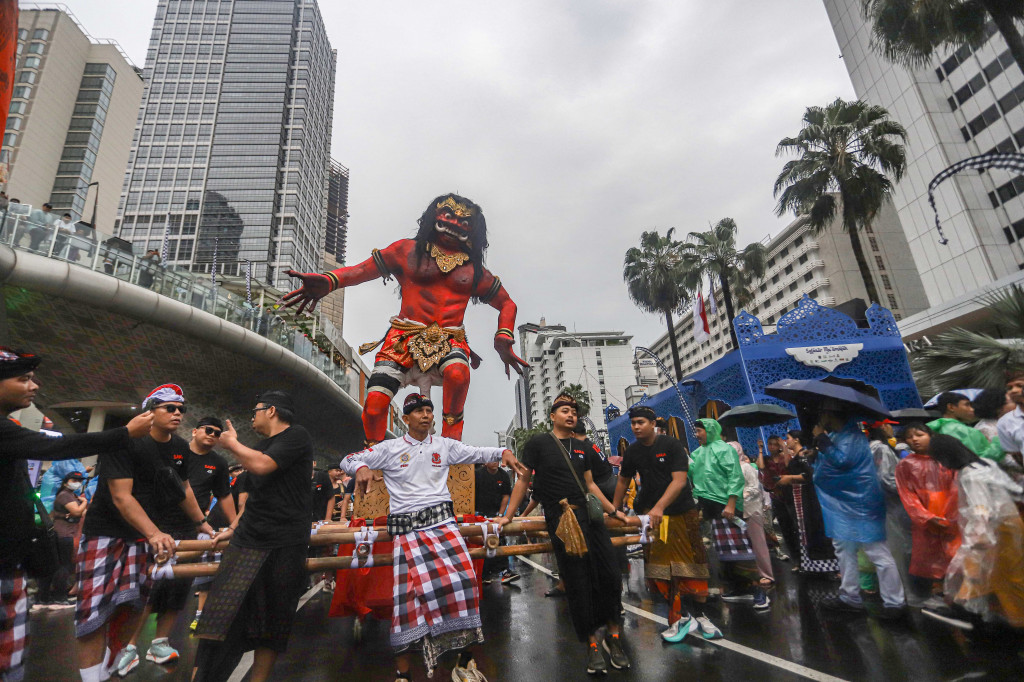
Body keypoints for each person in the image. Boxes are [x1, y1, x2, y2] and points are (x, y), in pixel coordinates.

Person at [343, 393, 526, 682]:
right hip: (408, 534)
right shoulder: (389, 449)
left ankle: (464, 662)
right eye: (419, 411)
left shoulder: (444, 446)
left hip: (444, 529)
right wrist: (362, 467)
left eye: (429, 410)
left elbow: (477, 453)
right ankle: (403, 673)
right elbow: (349, 459)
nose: (426, 415)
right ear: (405, 419)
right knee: (407, 601)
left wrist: (501, 451)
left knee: (464, 586)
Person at [0, 348, 155, 682]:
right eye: (23, 379)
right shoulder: (6, 432)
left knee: (11, 662)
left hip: (10, 564)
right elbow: (56, 447)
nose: (34, 386)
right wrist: (125, 434)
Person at [502, 394, 631, 675]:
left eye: (574, 411)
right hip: (562, 519)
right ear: (552, 416)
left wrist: (613, 511)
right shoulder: (538, 443)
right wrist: (510, 515)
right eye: (564, 410)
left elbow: (590, 486)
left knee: (609, 575)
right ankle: (592, 645)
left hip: (591, 518)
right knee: (577, 581)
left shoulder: (582, 445)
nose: (571, 414)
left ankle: (614, 636)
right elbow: (523, 478)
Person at [90, 386, 214, 677]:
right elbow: (121, 496)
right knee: (109, 604)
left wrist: (202, 524)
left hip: (152, 532)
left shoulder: (181, 448)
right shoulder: (126, 441)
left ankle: (140, 647)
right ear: (150, 410)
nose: (177, 414)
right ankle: (114, 655)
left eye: (180, 409)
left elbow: (183, 489)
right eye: (169, 408)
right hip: (112, 531)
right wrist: (154, 533)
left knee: (154, 595)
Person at [193, 391, 313, 682]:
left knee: (273, 621)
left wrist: (232, 443)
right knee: (219, 617)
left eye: (255, 411)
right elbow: (254, 499)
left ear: (271, 411)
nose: (252, 417)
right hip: (248, 539)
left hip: (285, 541)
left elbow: (262, 465)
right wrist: (233, 528)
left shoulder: (297, 436)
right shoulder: (261, 446)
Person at [615, 406, 718, 643]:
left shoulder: (671, 445)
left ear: (653, 424)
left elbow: (680, 480)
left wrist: (660, 507)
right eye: (633, 423)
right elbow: (623, 480)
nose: (636, 427)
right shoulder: (632, 452)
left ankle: (700, 616)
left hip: (681, 512)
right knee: (661, 569)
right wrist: (614, 508)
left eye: (641, 422)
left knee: (693, 566)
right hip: (651, 518)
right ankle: (679, 617)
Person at [810, 406, 907, 619]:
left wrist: (822, 441)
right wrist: (815, 453)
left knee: (876, 551)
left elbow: (843, 461)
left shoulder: (852, 436)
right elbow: (827, 465)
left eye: (824, 412)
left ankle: (895, 603)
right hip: (842, 504)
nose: (821, 417)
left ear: (833, 414)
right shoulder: (836, 436)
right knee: (844, 549)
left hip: (860, 502)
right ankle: (850, 597)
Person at [927, 433, 1024, 629]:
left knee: (997, 576)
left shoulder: (970, 475)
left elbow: (982, 511)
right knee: (1009, 575)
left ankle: (1010, 619)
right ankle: (983, 612)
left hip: (994, 532)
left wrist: (974, 542)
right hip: (1010, 525)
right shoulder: (984, 464)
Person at [689, 419, 769, 609]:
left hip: (727, 505)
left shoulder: (725, 449)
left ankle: (758, 591)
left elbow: (734, 476)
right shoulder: (697, 453)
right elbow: (694, 475)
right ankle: (738, 588)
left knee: (741, 548)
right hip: (711, 506)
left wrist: (732, 503)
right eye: (696, 431)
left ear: (709, 430)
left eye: (699, 431)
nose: (697, 435)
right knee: (724, 550)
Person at [897, 423, 961, 609]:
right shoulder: (906, 465)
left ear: (931, 436)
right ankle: (937, 591)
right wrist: (926, 517)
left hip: (951, 514)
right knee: (930, 558)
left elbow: (957, 488)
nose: (914, 439)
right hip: (926, 519)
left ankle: (957, 593)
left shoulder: (947, 460)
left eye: (919, 434)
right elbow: (908, 495)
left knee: (955, 554)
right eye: (909, 436)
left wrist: (952, 515)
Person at [185, 418, 237, 633]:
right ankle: (131, 644)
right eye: (208, 430)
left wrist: (235, 527)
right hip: (165, 525)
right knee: (158, 579)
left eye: (217, 433)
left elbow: (224, 496)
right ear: (194, 431)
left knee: (205, 575)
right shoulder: (176, 453)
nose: (212, 435)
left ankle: (201, 616)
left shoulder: (218, 462)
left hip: (201, 528)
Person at [778, 429, 838, 575]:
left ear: (796, 440)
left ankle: (831, 566)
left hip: (809, 497)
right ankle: (811, 564)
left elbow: (810, 475)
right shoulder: (798, 456)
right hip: (800, 497)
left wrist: (790, 478)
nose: (787, 441)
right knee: (804, 529)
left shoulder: (804, 455)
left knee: (814, 527)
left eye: (788, 438)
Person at [866, 422, 914, 603]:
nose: (890, 428)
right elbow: (888, 479)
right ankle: (903, 594)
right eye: (887, 425)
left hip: (880, 506)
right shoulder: (882, 449)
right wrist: (912, 488)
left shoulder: (876, 448)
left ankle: (898, 593)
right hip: (892, 505)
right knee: (899, 549)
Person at [36, 471, 88, 609]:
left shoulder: (71, 495)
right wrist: (85, 502)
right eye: (74, 479)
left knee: (58, 566)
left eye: (80, 480)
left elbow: (81, 512)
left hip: (66, 534)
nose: (78, 482)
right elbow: (78, 512)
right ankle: (59, 596)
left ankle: (46, 597)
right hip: (63, 535)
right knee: (63, 567)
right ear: (66, 481)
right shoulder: (65, 495)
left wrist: (80, 506)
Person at [733, 442, 774, 589]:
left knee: (758, 543)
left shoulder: (746, 467)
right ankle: (753, 574)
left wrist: (739, 496)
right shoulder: (733, 468)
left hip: (751, 509)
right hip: (740, 511)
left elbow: (755, 488)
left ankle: (766, 574)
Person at [474, 456, 517, 585]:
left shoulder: (503, 475)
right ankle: (484, 573)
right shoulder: (477, 475)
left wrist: (500, 514)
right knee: (482, 542)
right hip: (479, 513)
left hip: (496, 514)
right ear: (485, 462)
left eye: (497, 460)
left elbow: (506, 496)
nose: (495, 462)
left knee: (500, 540)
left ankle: (505, 571)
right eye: (491, 459)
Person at [928, 392, 1001, 460]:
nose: (972, 409)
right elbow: (978, 459)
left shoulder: (935, 428)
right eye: (967, 405)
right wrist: (998, 442)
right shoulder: (959, 430)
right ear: (951, 407)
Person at [757, 436, 794, 562]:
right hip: (776, 494)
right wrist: (760, 449)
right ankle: (795, 559)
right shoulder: (767, 459)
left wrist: (784, 446)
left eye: (774, 444)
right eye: (770, 444)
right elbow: (761, 466)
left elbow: (789, 465)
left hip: (790, 492)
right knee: (785, 527)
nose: (772, 447)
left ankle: (802, 559)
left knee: (795, 525)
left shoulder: (785, 456)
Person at [997, 372, 1024, 462]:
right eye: (1009, 388)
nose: (1014, 390)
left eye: (1019, 386)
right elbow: (1016, 455)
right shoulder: (1005, 422)